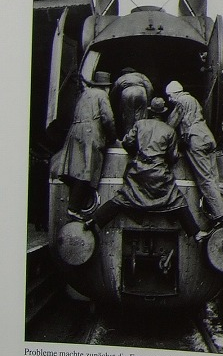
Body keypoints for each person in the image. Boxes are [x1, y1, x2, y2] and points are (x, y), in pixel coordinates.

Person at [92, 95, 203, 239]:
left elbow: (127, 142)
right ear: (163, 113)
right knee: (177, 200)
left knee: (123, 197)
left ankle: (93, 221)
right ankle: (196, 233)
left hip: (138, 171)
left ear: (151, 111)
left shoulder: (140, 124)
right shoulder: (169, 130)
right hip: (158, 174)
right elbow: (173, 157)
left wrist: (137, 154)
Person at [164, 80, 223, 228]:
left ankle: (220, 215)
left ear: (174, 93)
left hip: (195, 140)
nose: (169, 99)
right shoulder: (193, 100)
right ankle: (216, 211)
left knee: (204, 178)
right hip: (207, 137)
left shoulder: (180, 102)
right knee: (213, 178)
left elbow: (171, 124)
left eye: (169, 96)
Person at [56, 71, 116, 219]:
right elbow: (108, 118)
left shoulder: (85, 94)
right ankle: (74, 208)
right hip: (90, 133)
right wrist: (113, 137)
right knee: (86, 171)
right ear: (106, 86)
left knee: (75, 170)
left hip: (75, 132)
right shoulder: (102, 95)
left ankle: (75, 205)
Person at [110, 65, 154, 135]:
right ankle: (141, 136)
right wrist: (148, 102)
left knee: (128, 118)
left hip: (127, 92)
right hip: (141, 92)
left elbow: (114, 92)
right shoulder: (141, 76)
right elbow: (150, 88)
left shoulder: (121, 78)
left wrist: (113, 104)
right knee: (141, 118)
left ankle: (129, 138)